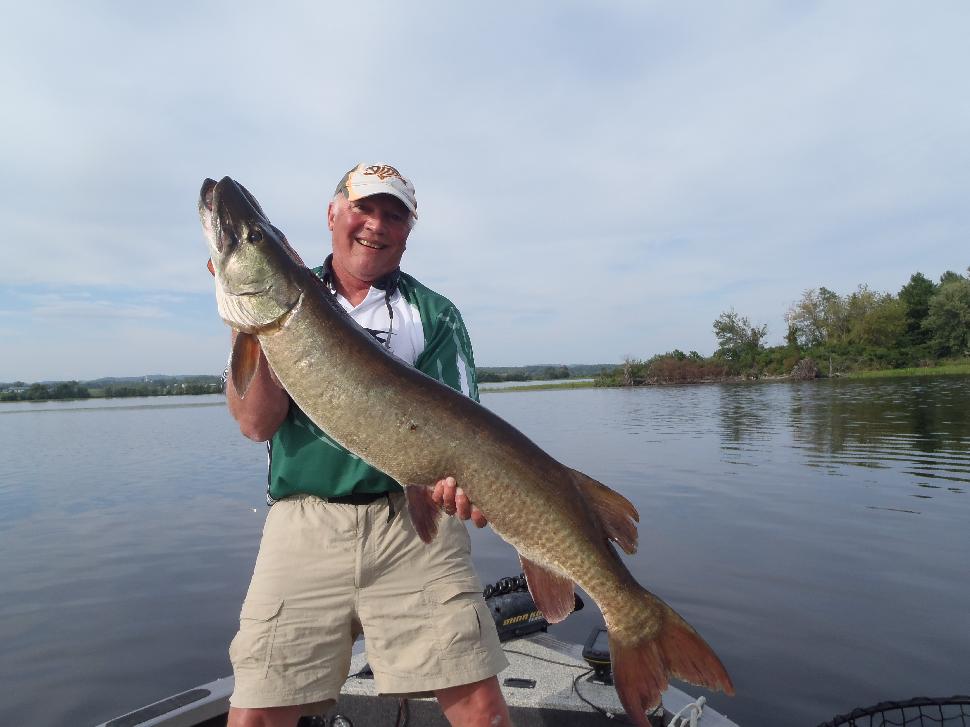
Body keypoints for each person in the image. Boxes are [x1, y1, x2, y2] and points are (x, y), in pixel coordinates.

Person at [224, 163, 511, 727]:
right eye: (364, 208)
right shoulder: (286, 296)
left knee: (481, 708)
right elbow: (257, 425)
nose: (375, 225)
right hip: (304, 523)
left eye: (393, 214)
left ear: (408, 230)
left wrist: (460, 482)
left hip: (411, 524)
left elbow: (466, 432)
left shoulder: (433, 315)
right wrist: (248, 323)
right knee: (256, 713)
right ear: (333, 214)